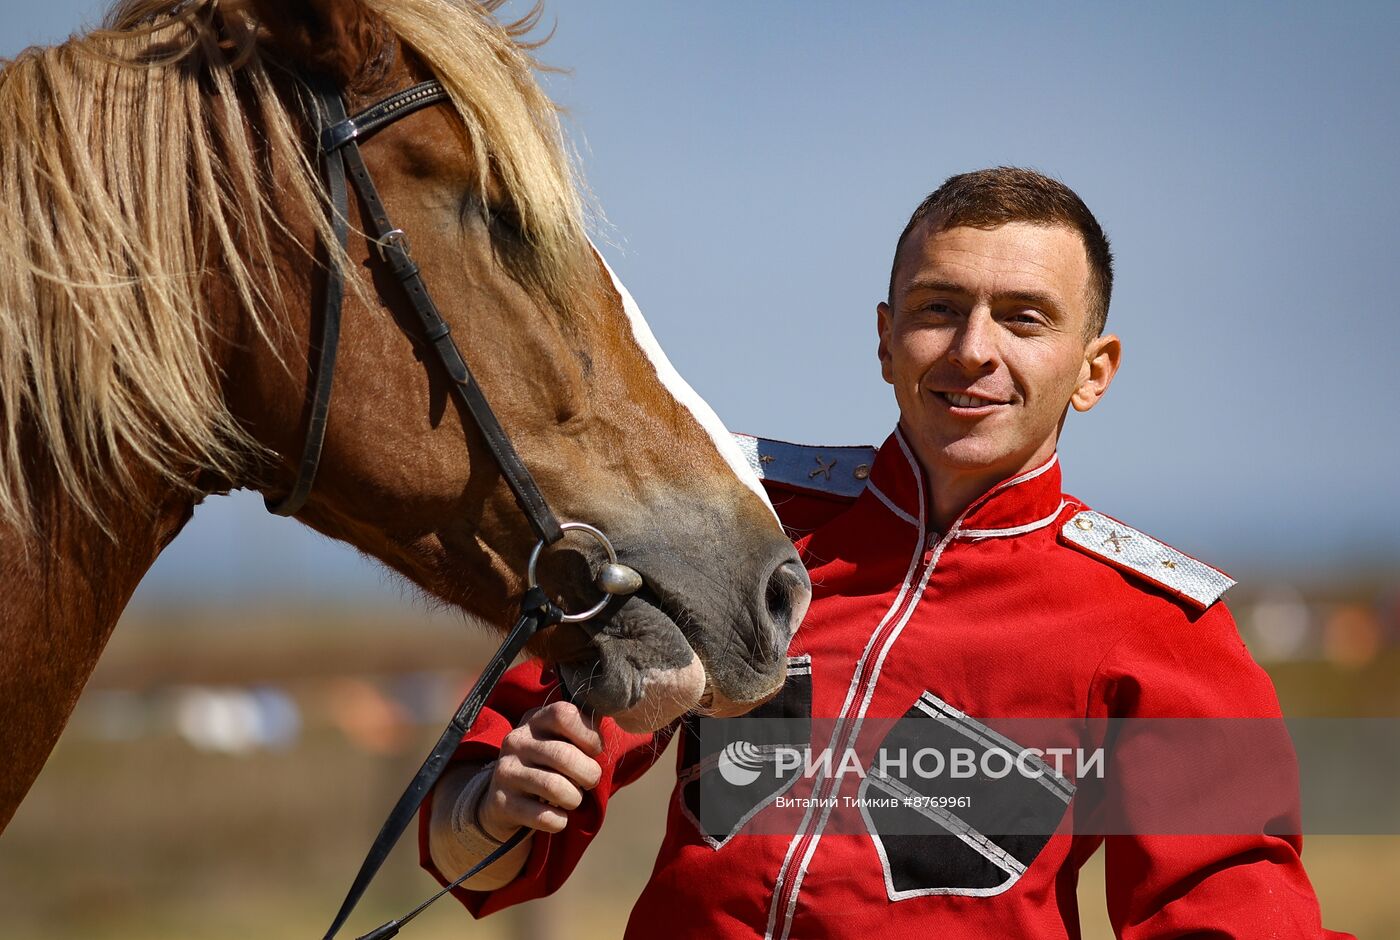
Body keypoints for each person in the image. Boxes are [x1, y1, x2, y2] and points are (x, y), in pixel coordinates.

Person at [419, 167, 1349, 938]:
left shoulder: (1158, 625)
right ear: (884, 337)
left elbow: (1229, 906)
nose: (972, 350)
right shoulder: (742, 526)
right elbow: (478, 824)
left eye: (1024, 319)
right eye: (939, 307)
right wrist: (497, 804)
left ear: (1093, 370)